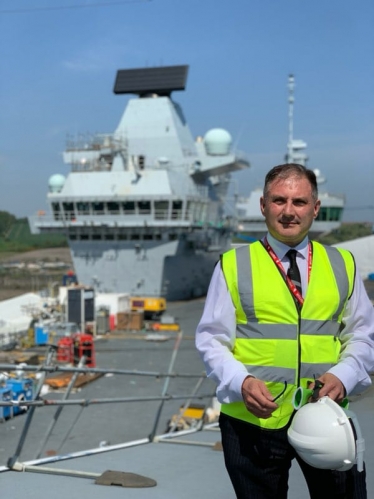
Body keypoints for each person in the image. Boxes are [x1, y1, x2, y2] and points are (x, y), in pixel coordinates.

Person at [195, 163, 374, 498]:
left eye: (300, 202)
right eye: (279, 201)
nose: (289, 211)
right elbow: (211, 340)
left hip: (326, 416)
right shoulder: (233, 265)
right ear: (263, 206)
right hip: (253, 421)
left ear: (315, 208)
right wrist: (241, 382)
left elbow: (363, 335)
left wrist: (345, 375)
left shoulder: (343, 265)